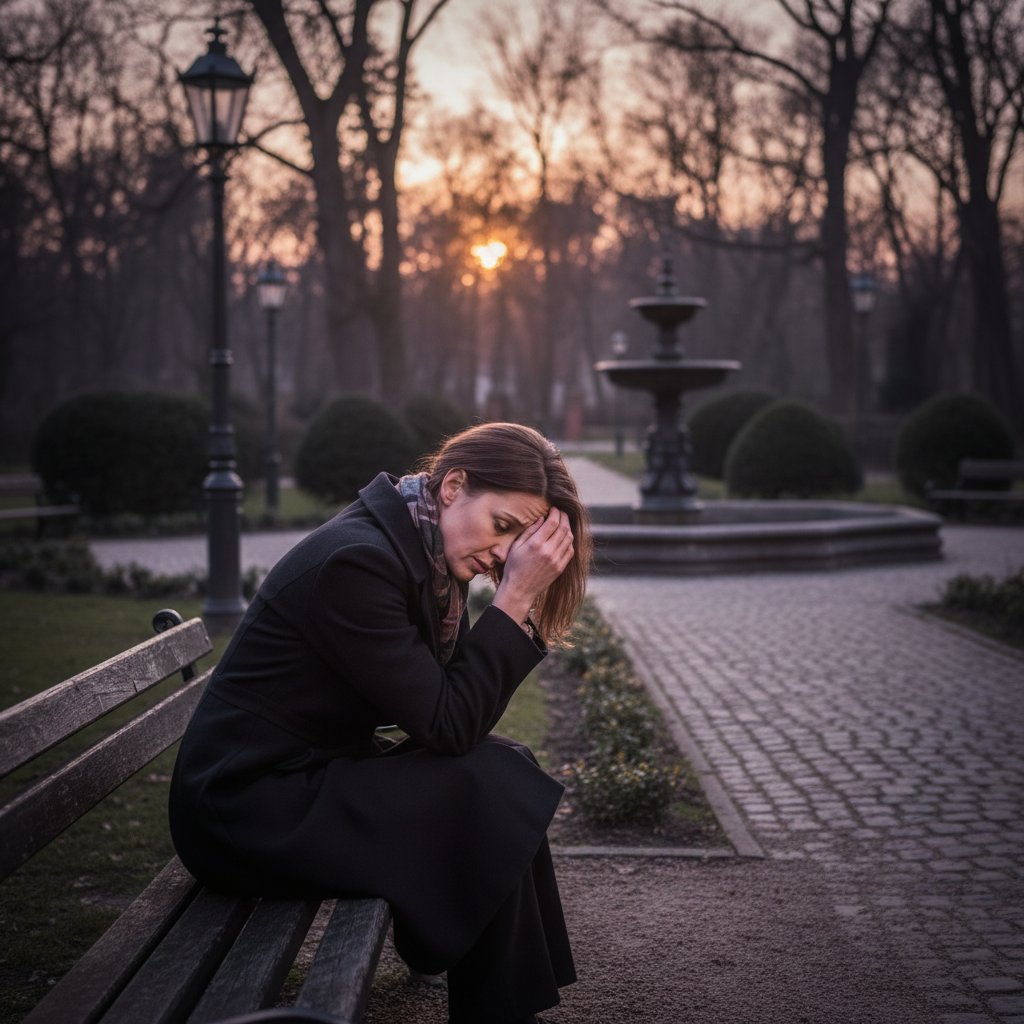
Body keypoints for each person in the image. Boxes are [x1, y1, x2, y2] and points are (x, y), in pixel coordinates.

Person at [168, 421, 592, 1024]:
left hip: (305, 777)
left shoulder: (418, 552)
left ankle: (504, 999)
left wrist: (510, 599)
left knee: (506, 763)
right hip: (243, 810)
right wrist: (515, 599)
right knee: (487, 780)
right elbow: (448, 724)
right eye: (502, 526)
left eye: (519, 541)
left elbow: (451, 716)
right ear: (454, 486)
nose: (504, 556)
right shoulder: (359, 563)